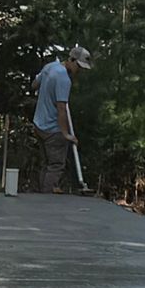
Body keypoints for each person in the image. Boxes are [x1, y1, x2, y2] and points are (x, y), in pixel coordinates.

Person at [32, 45, 92, 192]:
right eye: (78, 66)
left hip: (39, 125)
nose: (79, 70)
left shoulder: (50, 67)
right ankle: (47, 201)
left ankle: (40, 199)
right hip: (53, 130)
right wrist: (66, 134)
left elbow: (34, 85)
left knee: (46, 164)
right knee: (56, 166)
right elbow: (61, 109)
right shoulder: (64, 79)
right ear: (71, 59)